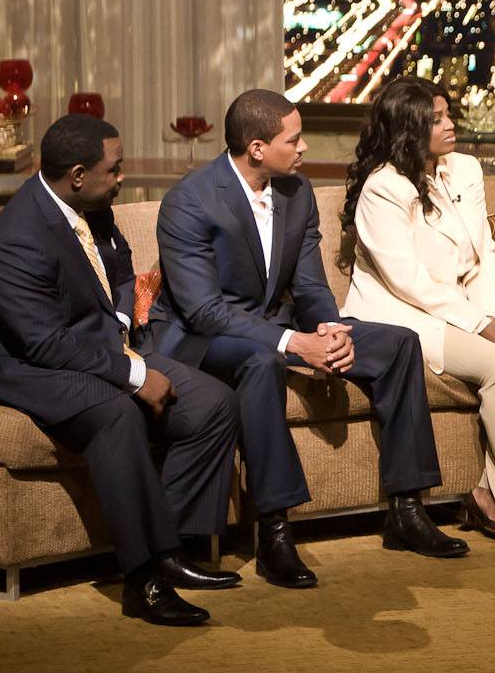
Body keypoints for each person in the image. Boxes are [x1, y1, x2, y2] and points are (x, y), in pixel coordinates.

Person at [149, 89, 465, 588]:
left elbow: (311, 286)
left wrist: (332, 331)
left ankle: (407, 510)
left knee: (400, 344)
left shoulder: (296, 193)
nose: (304, 147)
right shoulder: (190, 201)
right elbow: (205, 312)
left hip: (276, 326)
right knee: (262, 363)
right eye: (293, 140)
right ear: (257, 149)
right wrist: (295, 344)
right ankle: (274, 532)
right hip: (203, 339)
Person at [0, 114, 240, 626]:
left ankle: (172, 548)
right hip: (23, 368)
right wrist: (134, 376)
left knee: (213, 403)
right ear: (77, 175)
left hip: (94, 350)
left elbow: (120, 267)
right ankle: (143, 579)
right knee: (117, 413)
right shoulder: (16, 239)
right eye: (114, 169)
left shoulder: (91, 208)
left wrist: (119, 321)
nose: (121, 178)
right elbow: (44, 344)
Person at [340, 77, 495, 543]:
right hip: (402, 313)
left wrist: (490, 315)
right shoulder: (383, 188)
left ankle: (489, 495)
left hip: (462, 307)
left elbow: (484, 253)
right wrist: (477, 325)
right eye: (436, 119)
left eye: (448, 114)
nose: (449, 125)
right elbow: (407, 280)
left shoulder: (464, 169)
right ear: (409, 128)